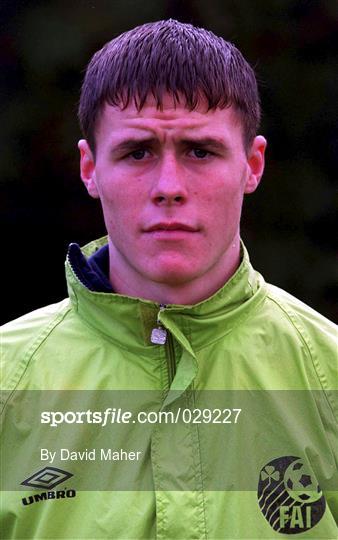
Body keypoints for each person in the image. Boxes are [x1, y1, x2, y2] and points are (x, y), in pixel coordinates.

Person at [1, 19, 337, 540]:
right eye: (137, 152)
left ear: (253, 164)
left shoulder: (330, 374)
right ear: (90, 169)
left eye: (200, 151)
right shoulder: (7, 382)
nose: (169, 187)